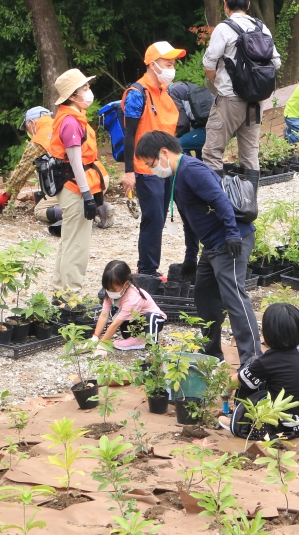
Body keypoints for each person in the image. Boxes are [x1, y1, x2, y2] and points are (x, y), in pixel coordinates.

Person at [135, 130, 261, 367]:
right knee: (205, 298)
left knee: (234, 298)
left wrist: (232, 235)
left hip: (230, 241)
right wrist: (190, 257)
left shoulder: (192, 170)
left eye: (151, 164)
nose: (152, 169)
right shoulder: (175, 176)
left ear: (164, 152)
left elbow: (220, 200)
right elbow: (189, 220)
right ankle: (212, 353)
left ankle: (252, 361)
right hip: (212, 245)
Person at [202, 0, 282, 175]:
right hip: (256, 101)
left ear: (225, 4)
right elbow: (276, 63)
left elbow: (208, 64)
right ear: (248, 4)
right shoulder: (262, 28)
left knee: (212, 153)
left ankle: (215, 204)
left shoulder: (223, 29)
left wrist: (219, 82)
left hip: (230, 99)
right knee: (249, 154)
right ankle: (249, 203)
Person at [120, 41, 185, 277]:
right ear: (152, 64)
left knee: (159, 216)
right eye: (167, 62)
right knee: (154, 218)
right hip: (146, 168)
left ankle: (150, 267)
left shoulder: (164, 92)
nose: (172, 65)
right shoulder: (137, 94)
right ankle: (147, 269)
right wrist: (129, 172)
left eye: (173, 62)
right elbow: (130, 134)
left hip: (166, 165)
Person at [0, 107, 114, 230]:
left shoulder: (39, 140)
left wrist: (7, 194)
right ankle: (99, 204)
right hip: (100, 178)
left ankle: (84, 212)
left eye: (26, 128)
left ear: (32, 122)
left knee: (40, 210)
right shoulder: (67, 124)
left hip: (81, 184)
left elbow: (22, 172)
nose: (28, 132)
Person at [48, 69, 108, 291]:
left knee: (68, 240)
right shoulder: (71, 122)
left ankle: (58, 289)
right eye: (85, 88)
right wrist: (87, 196)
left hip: (71, 186)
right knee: (78, 244)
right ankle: (71, 294)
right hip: (75, 188)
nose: (89, 92)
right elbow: (75, 162)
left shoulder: (69, 117)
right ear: (72, 96)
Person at [225, 304, 299, 439]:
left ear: (269, 333)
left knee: (250, 367)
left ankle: (237, 416)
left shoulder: (268, 361)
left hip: (285, 425)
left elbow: (236, 380)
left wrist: (225, 394)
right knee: (255, 369)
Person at [93, 260, 167, 351]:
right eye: (107, 288)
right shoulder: (110, 293)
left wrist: (102, 344)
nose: (109, 291)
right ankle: (135, 340)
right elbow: (104, 314)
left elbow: (116, 324)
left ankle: (149, 344)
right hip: (134, 321)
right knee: (118, 317)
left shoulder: (133, 297)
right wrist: (95, 336)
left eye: (113, 289)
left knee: (150, 316)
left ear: (126, 284)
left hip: (152, 322)